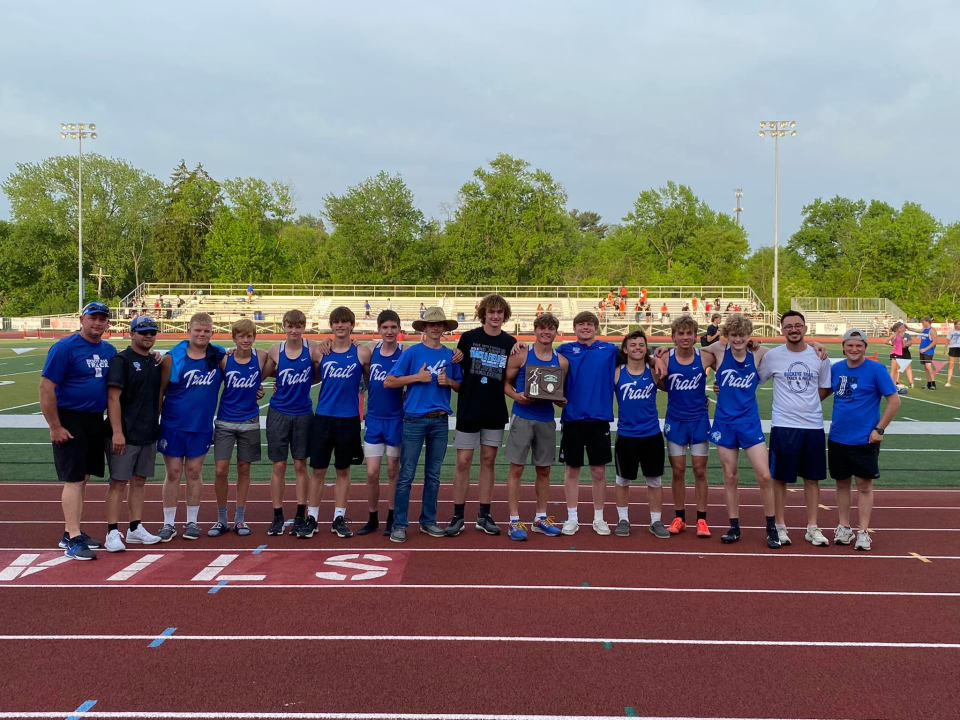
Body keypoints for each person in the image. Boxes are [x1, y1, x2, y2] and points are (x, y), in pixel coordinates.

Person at [40, 301, 117, 560]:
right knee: (73, 479)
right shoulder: (65, 347)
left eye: (102, 319)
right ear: (82, 319)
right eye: (92, 318)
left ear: (107, 322)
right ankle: (73, 539)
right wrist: (55, 426)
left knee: (83, 478)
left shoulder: (109, 350)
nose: (97, 323)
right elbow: (46, 388)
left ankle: (70, 532)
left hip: (95, 419)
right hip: (70, 419)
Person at [385, 307, 462, 543]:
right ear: (424, 328)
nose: (436, 328)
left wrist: (448, 381)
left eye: (440, 324)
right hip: (414, 420)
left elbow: (461, 386)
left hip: (439, 420)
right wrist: (416, 378)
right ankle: (399, 524)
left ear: (445, 328)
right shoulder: (412, 353)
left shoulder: (452, 356)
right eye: (431, 325)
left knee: (434, 475)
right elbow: (389, 381)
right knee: (406, 474)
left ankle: (428, 521)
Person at [758, 311, 833, 547]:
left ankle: (812, 527)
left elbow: (825, 387)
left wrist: (808, 404)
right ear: (782, 330)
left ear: (805, 328)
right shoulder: (772, 357)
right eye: (788, 326)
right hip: (783, 425)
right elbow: (756, 380)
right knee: (780, 478)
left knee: (812, 479)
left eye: (797, 326)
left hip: (812, 426)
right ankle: (779, 526)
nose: (793, 329)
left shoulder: (819, 355)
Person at [446, 294, 517, 537]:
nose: (495, 316)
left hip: (495, 409)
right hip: (469, 408)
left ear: (504, 315)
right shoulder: (468, 338)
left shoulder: (511, 342)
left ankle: (484, 514)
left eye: (499, 312)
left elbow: (514, 374)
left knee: (488, 461)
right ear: (484, 313)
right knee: (463, 462)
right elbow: (457, 365)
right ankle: (457, 515)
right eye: (491, 312)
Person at [823, 329, 900, 551]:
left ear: (865, 347)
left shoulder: (876, 369)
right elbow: (821, 394)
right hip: (838, 437)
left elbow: (894, 402)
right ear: (844, 347)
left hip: (865, 439)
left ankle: (863, 531)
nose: (854, 349)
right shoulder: (836, 369)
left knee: (864, 485)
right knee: (841, 484)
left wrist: (880, 429)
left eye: (859, 345)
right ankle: (844, 527)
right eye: (850, 345)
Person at [707, 314, 780, 549]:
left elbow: (789, 350)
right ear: (727, 336)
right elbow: (684, 349)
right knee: (730, 477)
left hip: (749, 423)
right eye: (734, 335)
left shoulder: (758, 352)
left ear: (749, 336)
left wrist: (815, 345)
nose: (738, 339)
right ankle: (734, 526)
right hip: (725, 423)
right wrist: (662, 352)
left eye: (743, 335)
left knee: (765, 476)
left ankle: (772, 527)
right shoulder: (718, 350)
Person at [301, 307, 371, 539]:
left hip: (349, 418)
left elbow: (373, 382)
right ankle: (312, 517)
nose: (340, 326)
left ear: (352, 325)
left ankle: (339, 517)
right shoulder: (320, 353)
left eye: (345, 322)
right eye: (336, 322)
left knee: (343, 469)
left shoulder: (361, 354)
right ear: (331, 326)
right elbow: (305, 376)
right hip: (323, 417)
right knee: (318, 469)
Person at [158, 313, 225, 542]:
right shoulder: (173, 358)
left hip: (201, 426)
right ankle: (168, 523)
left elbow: (240, 375)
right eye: (198, 330)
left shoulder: (218, 356)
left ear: (212, 333)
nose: (202, 334)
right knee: (174, 472)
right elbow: (161, 390)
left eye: (206, 331)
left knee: (194, 472)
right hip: (173, 424)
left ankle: (192, 521)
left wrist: (255, 389)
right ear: (189, 330)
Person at [503, 314, 568, 541]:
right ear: (536, 330)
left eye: (551, 329)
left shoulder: (561, 361)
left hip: (546, 419)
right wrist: (516, 397)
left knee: (544, 470)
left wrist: (560, 401)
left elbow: (558, 392)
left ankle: (540, 518)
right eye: (542, 328)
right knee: (517, 469)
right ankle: (513, 520)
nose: (546, 332)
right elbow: (506, 383)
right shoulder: (521, 354)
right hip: (522, 416)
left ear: (556, 332)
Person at [653, 316, 718, 538]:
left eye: (689, 333)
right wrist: (657, 356)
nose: (685, 337)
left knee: (700, 471)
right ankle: (679, 517)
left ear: (694, 335)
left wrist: (718, 388)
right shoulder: (665, 356)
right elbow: (658, 379)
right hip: (675, 421)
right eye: (680, 333)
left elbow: (728, 361)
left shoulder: (705, 356)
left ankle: (702, 519)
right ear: (673, 337)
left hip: (699, 421)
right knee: (678, 471)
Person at [103, 315, 163, 551]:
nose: (148, 336)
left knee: (139, 481)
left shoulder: (155, 361)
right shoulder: (122, 360)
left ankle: (135, 528)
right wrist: (117, 432)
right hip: (124, 434)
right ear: (132, 334)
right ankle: (112, 532)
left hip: (148, 432)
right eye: (143, 332)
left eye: (152, 332)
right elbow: (113, 397)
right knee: (118, 482)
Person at [557, 311, 619, 535]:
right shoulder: (563, 350)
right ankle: (572, 517)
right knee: (572, 470)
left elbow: (636, 354)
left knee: (599, 472)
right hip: (572, 418)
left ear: (596, 327)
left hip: (599, 418)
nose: (585, 327)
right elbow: (542, 361)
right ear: (575, 328)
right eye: (581, 324)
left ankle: (599, 518)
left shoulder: (610, 350)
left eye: (590, 324)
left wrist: (656, 355)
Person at [262, 310, 317, 537]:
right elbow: (260, 374)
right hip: (278, 413)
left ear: (304, 327)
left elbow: (322, 372)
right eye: (289, 326)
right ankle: (277, 516)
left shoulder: (312, 348)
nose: (294, 330)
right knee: (278, 466)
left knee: (300, 465)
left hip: (303, 414)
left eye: (298, 326)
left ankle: (300, 514)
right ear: (283, 326)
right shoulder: (276, 350)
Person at [210, 319, 264, 537]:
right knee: (220, 470)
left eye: (249, 336)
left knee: (244, 469)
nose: (245, 340)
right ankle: (221, 519)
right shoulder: (225, 359)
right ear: (233, 338)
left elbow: (270, 372)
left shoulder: (261, 357)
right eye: (241, 336)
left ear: (254, 337)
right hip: (225, 422)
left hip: (249, 421)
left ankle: (240, 518)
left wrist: (258, 389)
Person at [613, 330, 670, 538]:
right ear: (625, 349)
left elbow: (678, 388)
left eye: (641, 344)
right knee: (622, 480)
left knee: (654, 480)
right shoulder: (617, 372)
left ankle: (655, 521)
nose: (637, 348)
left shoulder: (654, 371)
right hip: (626, 435)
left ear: (646, 349)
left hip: (651, 434)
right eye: (633, 345)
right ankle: (623, 519)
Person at [359, 310, 405, 536]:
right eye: (385, 327)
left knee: (393, 471)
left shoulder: (405, 352)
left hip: (396, 419)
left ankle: (392, 516)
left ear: (399, 329)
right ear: (378, 330)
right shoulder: (369, 350)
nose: (389, 331)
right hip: (374, 419)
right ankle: (372, 517)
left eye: (393, 327)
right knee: (372, 473)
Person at [888, 322, 914, 389]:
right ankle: (895, 382)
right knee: (896, 369)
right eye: (902, 327)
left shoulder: (907, 335)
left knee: (908, 368)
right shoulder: (895, 335)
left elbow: (908, 343)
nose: (903, 328)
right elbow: (892, 342)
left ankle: (911, 382)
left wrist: (904, 342)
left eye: (904, 327)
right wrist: (893, 345)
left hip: (905, 352)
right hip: (897, 353)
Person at [918, 317, 939, 390]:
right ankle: (928, 383)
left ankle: (933, 383)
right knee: (925, 368)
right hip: (922, 351)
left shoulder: (932, 330)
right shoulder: (924, 330)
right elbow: (916, 330)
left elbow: (934, 342)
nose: (922, 324)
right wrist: (908, 328)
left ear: (927, 321)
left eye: (923, 322)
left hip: (928, 352)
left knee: (929, 367)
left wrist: (925, 349)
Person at [946, 319, 960, 387]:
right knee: (951, 365)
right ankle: (948, 382)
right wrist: (945, 349)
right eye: (958, 324)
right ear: (955, 325)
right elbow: (947, 340)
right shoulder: (951, 332)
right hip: (953, 348)